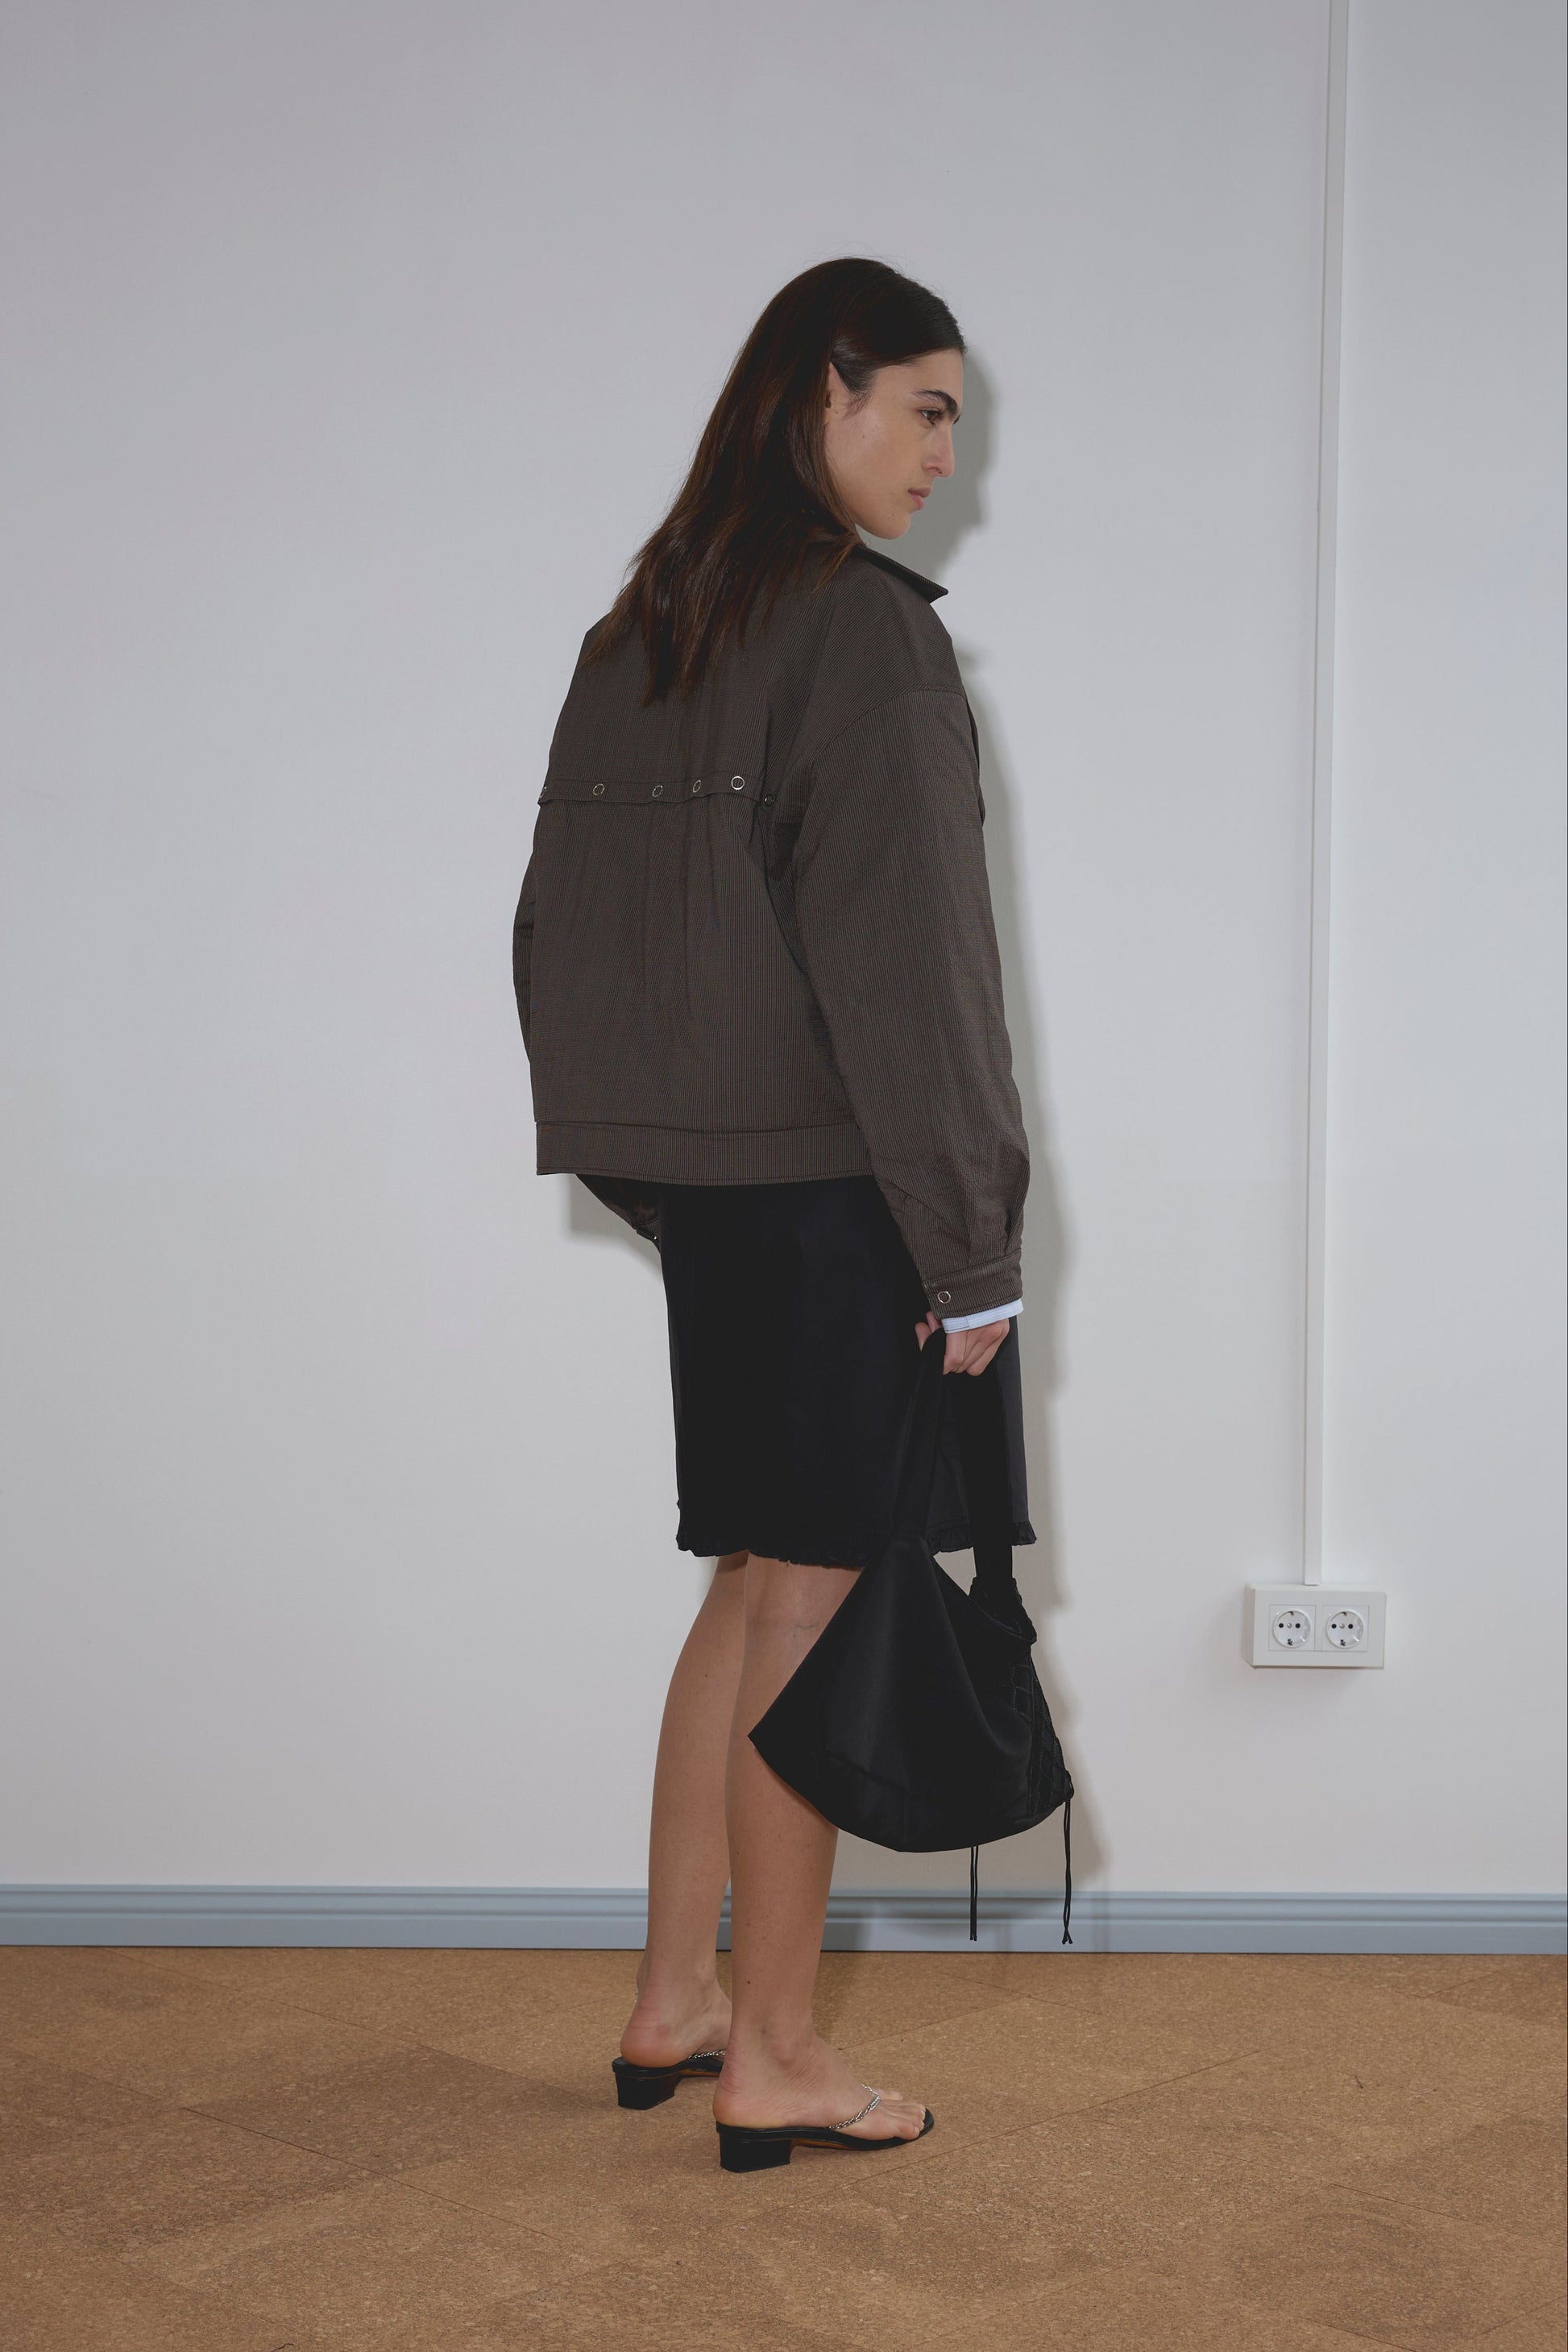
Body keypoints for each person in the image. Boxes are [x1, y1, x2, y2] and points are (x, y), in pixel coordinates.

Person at [512, 257, 1031, 2166]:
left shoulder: (638, 630)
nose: (942, 452)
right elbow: (916, 971)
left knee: (748, 1585)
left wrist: (660, 1168)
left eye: (955, 417)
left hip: (733, 1200)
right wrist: (968, 1238)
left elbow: (552, 936)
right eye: (921, 404)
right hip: (841, 1187)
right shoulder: (858, 635)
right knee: (809, 1603)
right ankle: (781, 2050)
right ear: (819, 390)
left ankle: (677, 1994)